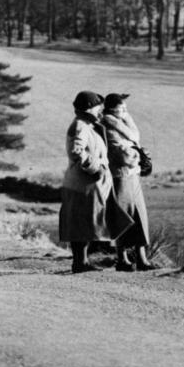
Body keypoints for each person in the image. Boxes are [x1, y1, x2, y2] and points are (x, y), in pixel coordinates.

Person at [59, 90, 130, 273]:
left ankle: (81, 262)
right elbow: (76, 152)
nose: (101, 110)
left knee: (85, 224)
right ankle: (80, 263)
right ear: (89, 108)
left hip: (87, 184)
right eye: (98, 107)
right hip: (83, 184)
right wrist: (95, 168)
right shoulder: (80, 126)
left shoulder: (87, 125)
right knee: (81, 224)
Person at [101, 92, 157, 271]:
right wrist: (139, 155)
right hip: (120, 176)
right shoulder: (108, 127)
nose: (124, 111)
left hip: (133, 174)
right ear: (111, 110)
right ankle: (122, 259)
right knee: (122, 216)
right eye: (121, 109)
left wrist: (138, 154)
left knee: (140, 216)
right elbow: (121, 153)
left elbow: (131, 149)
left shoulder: (125, 125)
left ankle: (142, 259)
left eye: (125, 108)